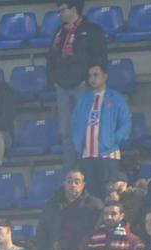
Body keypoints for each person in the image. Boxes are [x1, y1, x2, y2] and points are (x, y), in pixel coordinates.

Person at [47, 0, 109, 169]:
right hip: (62, 87)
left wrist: (90, 80)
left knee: (85, 131)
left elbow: (100, 57)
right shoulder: (59, 32)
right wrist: (54, 79)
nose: (60, 14)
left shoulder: (92, 30)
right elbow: (51, 57)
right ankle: (70, 174)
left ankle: (86, 172)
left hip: (83, 86)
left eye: (62, 10)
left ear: (74, 9)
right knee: (66, 133)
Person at [73, 64, 131, 199]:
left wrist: (113, 140)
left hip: (108, 157)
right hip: (86, 156)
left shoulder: (116, 98)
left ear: (105, 76)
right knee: (91, 198)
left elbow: (126, 123)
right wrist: (78, 145)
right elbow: (74, 124)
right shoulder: (83, 100)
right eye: (90, 76)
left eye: (96, 75)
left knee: (109, 196)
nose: (92, 79)